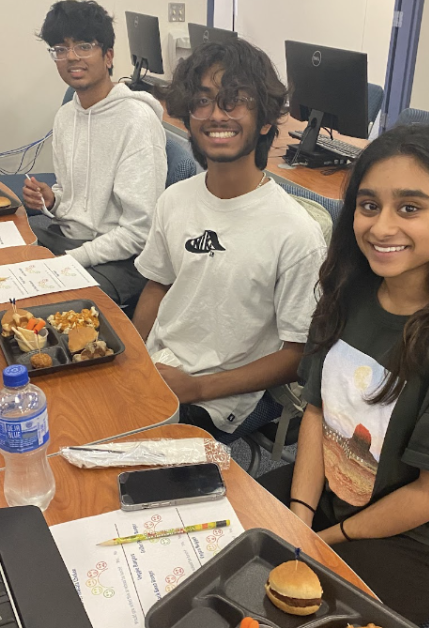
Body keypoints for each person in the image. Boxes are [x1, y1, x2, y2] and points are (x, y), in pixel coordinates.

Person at [258, 124, 429, 625]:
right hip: (331, 495)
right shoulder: (351, 291)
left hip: (416, 537)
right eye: (369, 205)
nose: (381, 227)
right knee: (221, 557)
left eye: (411, 208)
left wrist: (322, 543)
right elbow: (316, 411)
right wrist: (300, 515)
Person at [133, 38, 327, 441]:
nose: (216, 115)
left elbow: (298, 356)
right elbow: (158, 283)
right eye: (202, 102)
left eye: (234, 101)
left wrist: (200, 387)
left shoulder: (295, 233)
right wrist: (132, 360)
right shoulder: (175, 200)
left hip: (223, 397)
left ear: (267, 120)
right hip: (158, 367)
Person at [23, 0, 167, 309]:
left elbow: (139, 232)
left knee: (39, 303)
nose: (71, 57)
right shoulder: (65, 117)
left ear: (108, 55)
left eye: (84, 46)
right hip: (68, 240)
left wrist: (71, 260)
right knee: (3, 254)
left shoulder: (136, 122)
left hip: (122, 261)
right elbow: (70, 197)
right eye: (60, 49)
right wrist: (52, 200)